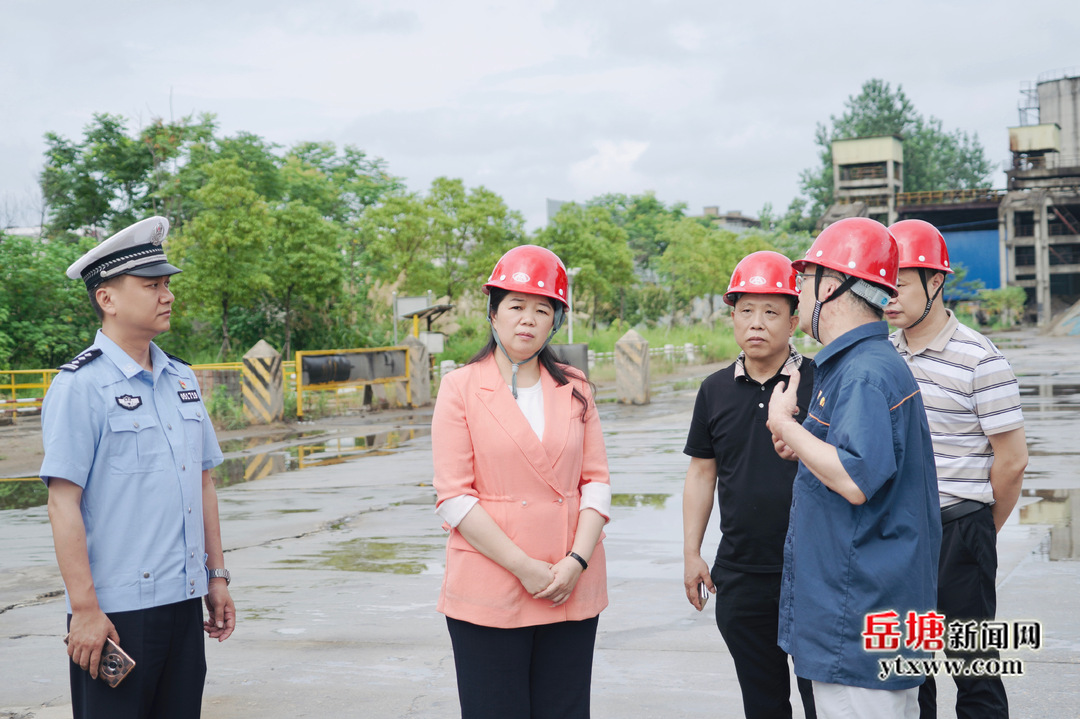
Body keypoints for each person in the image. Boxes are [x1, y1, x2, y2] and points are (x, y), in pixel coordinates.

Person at [40, 216, 233, 719]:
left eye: (167, 285)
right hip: (116, 612)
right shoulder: (80, 387)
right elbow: (63, 503)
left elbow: (204, 484)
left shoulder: (182, 379)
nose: (167, 296)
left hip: (184, 601)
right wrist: (84, 609)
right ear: (107, 298)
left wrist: (216, 578)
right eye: (152, 286)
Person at [766, 217, 941, 719]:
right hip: (870, 610)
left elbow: (855, 478)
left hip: (858, 617)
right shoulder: (862, 363)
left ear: (831, 285)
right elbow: (856, 460)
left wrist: (784, 423)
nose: (797, 291)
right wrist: (806, 449)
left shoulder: (863, 372)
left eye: (805, 277)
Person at [431, 244, 611, 719]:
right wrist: (525, 567)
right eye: (515, 306)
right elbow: (453, 497)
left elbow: (595, 483)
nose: (527, 319)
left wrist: (576, 560)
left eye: (541, 309)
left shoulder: (575, 387)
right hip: (491, 584)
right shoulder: (461, 387)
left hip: (570, 584)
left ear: (555, 321)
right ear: (493, 313)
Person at [885, 219, 1027, 719]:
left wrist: (979, 529)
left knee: (974, 669)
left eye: (900, 284)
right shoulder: (885, 357)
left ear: (935, 282)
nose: (889, 297)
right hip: (901, 538)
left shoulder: (979, 360)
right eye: (883, 284)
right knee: (906, 674)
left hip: (960, 529)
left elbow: (1012, 461)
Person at [682, 250, 817, 719]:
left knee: (824, 699)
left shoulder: (819, 382)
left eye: (771, 312)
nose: (756, 323)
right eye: (745, 311)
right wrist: (691, 553)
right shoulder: (714, 389)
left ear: (794, 320)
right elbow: (702, 472)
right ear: (732, 317)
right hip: (740, 577)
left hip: (812, 572)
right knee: (763, 704)